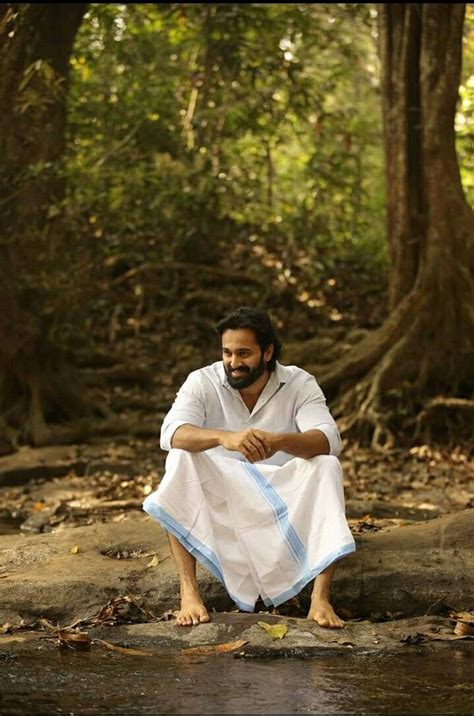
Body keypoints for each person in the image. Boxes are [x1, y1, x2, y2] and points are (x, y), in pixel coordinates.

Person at [143, 307, 355, 628]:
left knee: (327, 466)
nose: (233, 362)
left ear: (267, 352)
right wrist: (223, 437)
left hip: (285, 498)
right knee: (180, 457)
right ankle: (188, 592)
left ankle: (320, 599)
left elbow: (328, 438)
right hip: (223, 495)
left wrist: (280, 441)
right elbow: (171, 433)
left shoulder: (299, 382)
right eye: (227, 352)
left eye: (244, 353)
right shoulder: (202, 381)